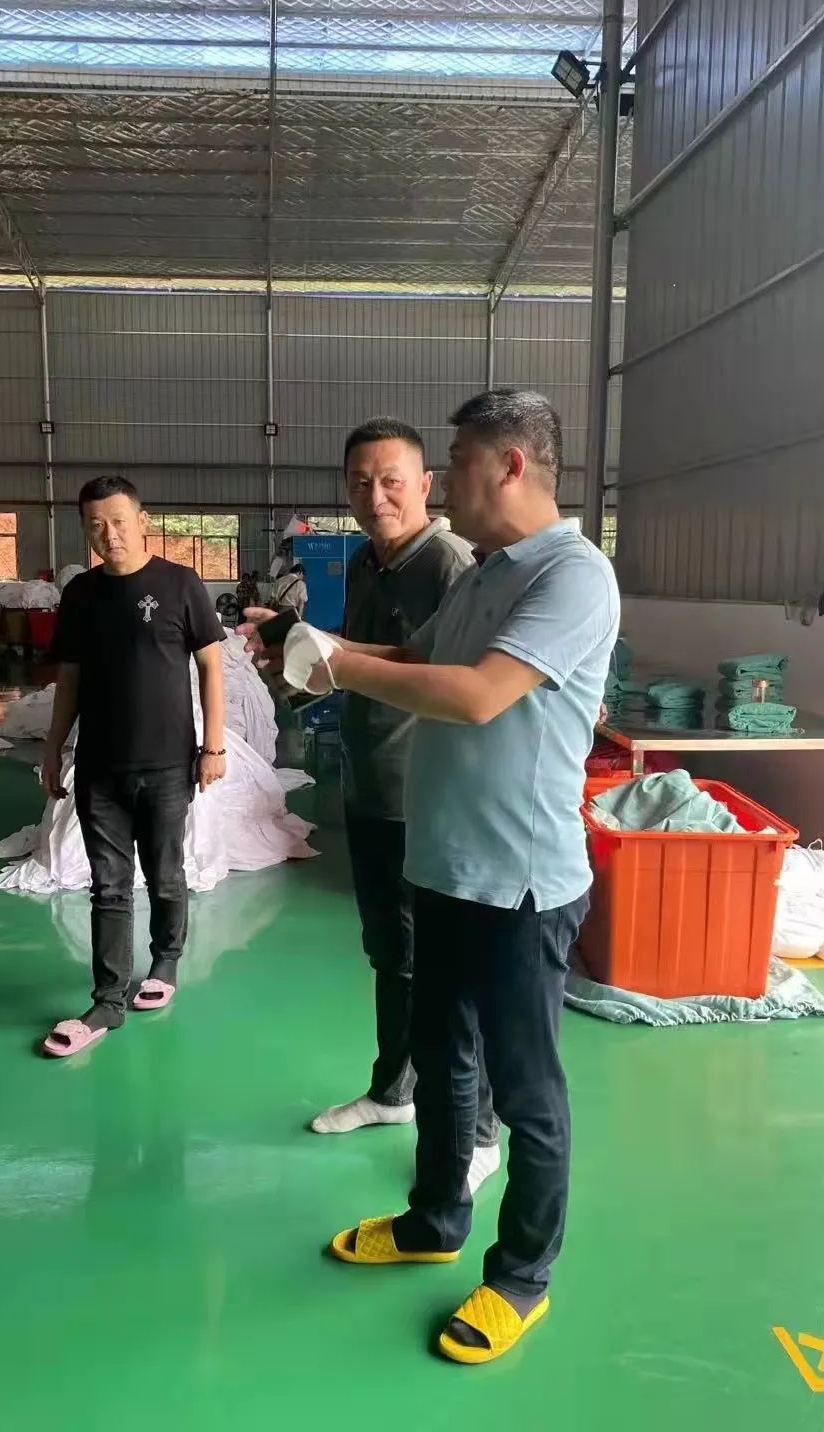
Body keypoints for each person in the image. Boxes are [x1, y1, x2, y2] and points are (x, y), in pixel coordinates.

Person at [298, 390, 619, 1365]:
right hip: (444, 868)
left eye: (459, 459)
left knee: (527, 1096)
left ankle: (520, 1277)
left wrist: (344, 670)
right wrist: (329, 651)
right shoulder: (484, 574)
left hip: (520, 886)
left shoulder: (572, 576)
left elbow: (479, 696)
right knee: (442, 1065)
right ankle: (435, 1220)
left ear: (510, 465)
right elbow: (418, 657)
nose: (445, 481)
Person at [243, 418, 500, 1192]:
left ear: (425, 485)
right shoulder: (364, 562)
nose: (376, 496)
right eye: (361, 482)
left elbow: (455, 679)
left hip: (431, 796)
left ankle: (479, 1131)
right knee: (391, 955)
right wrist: (298, 649)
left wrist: (324, 650)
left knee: (450, 970)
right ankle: (394, 1093)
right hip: (371, 787)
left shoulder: (451, 565)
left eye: (392, 481)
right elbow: (353, 663)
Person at [39, 475, 227, 1058]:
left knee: (166, 874)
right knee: (109, 885)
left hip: (169, 764)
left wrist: (213, 747)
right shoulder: (81, 594)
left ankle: (165, 962)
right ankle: (107, 1000)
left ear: (143, 520)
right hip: (100, 766)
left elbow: (211, 668)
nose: (109, 534)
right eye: (96, 524)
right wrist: (53, 746)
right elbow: (70, 679)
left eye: (119, 521)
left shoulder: (180, 584)